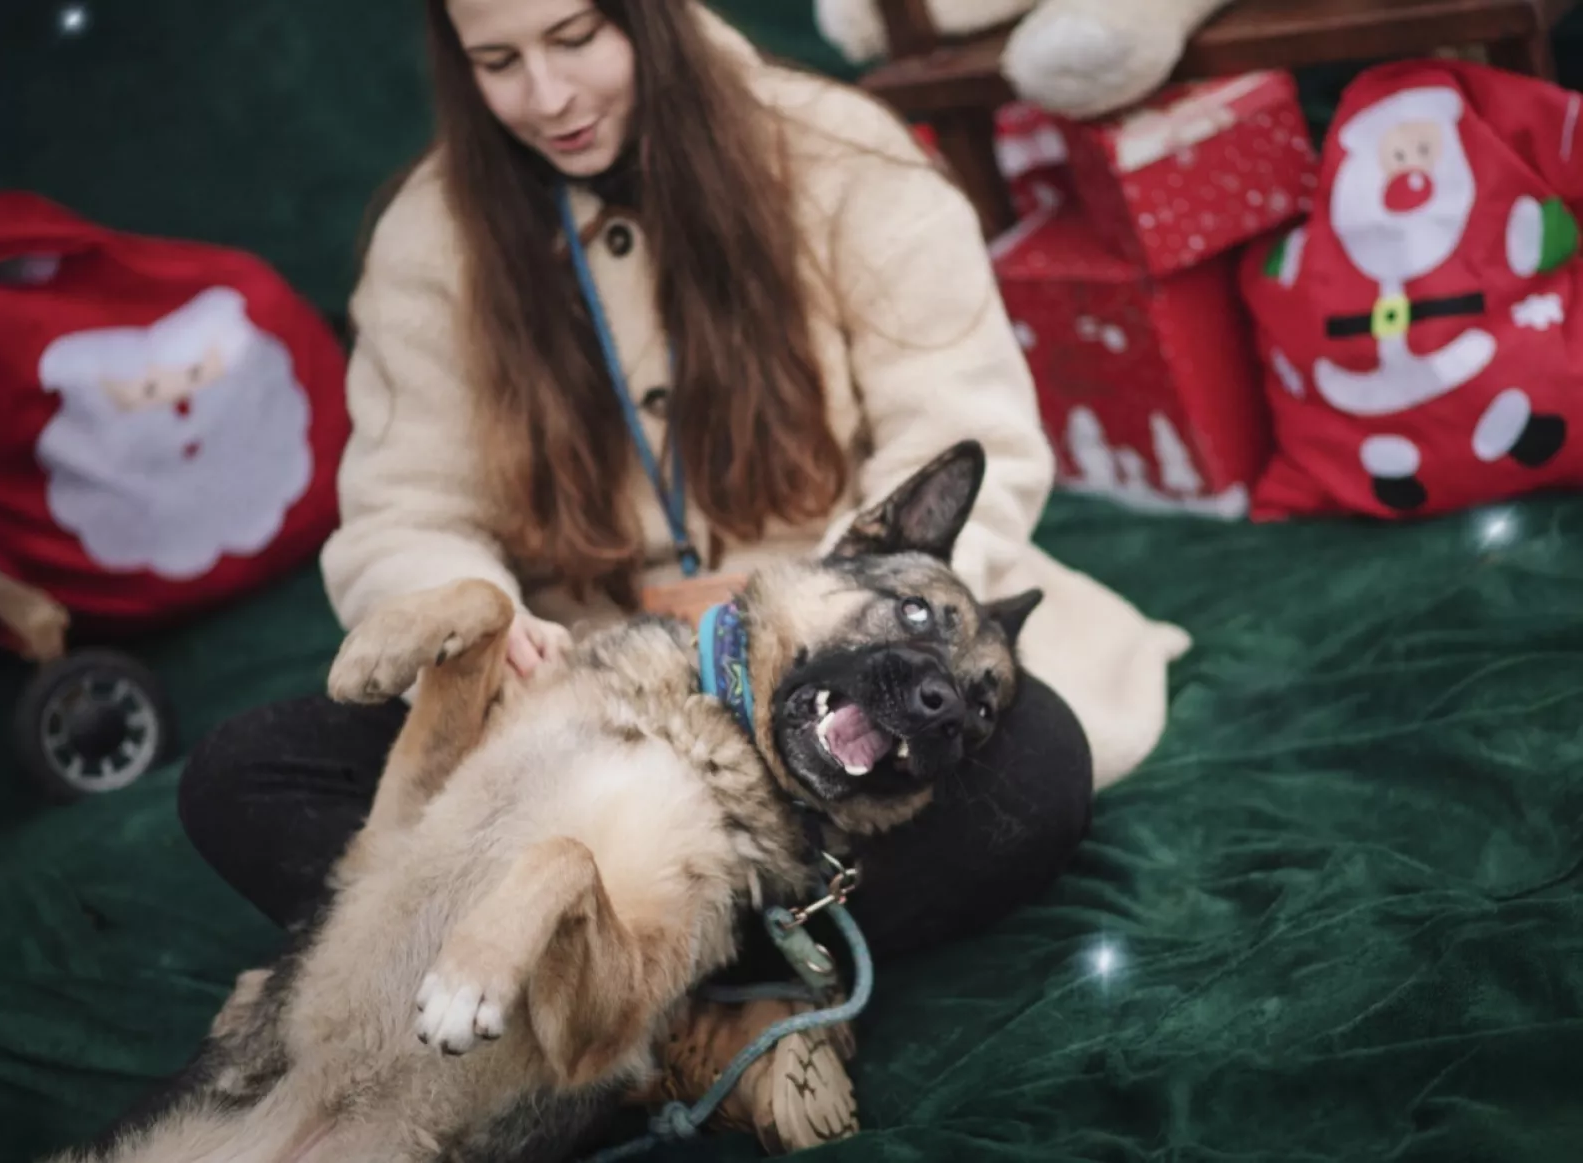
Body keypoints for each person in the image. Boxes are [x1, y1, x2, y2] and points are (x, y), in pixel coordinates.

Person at [176, 0, 1190, 1148]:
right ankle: (674, 1022)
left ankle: (617, 1019)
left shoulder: (841, 154)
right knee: (244, 774)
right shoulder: (430, 234)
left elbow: (964, 428)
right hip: (581, 700)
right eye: (498, 61)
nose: (547, 98)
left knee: (1031, 776)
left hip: (829, 673)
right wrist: (490, 618)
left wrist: (824, 601)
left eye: (576, 38)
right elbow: (407, 510)